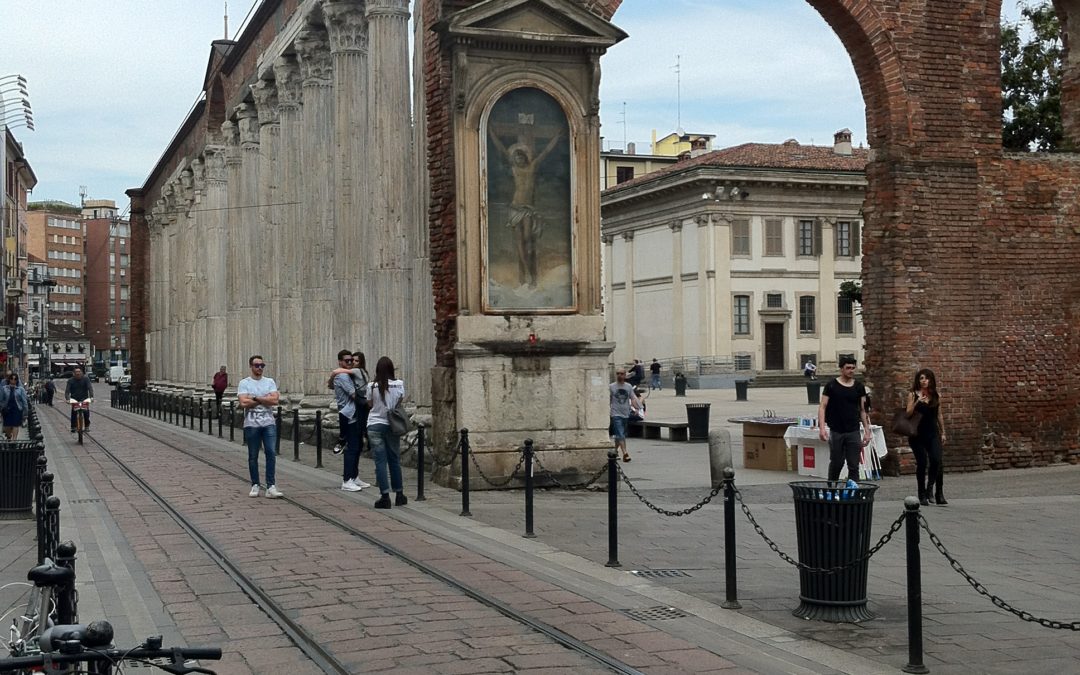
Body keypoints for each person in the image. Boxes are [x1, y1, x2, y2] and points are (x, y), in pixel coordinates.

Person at [488, 127, 563, 287]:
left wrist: (556, 137)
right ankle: (526, 275)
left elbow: (545, 152)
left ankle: (530, 272)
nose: (518, 160)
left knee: (529, 240)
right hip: (515, 208)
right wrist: (492, 132)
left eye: (520, 157)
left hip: (528, 209)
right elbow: (501, 149)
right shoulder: (514, 170)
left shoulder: (532, 167)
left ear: (524, 158)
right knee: (519, 242)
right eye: (515, 158)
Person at [817, 356, 871, 481]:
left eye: (853, 368)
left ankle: (854, 491)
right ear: (841, 369)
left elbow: (863, 410)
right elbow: (822, 407)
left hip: (853, 429)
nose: (851, 371)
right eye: (848, 368)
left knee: (854, 464)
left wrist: (867, 430)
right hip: (836, 429)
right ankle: (832, 487)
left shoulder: (858, 387)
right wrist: (822, 428)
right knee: (837, 462)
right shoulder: (831, 386)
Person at [237, 355, 282, 498]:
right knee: (253, 455)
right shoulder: (244, 383)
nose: (260, 368)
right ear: (251, 366)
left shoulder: (269, 381)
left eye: (262, 365)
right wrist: (264, 399)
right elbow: (243, 403)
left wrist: (254, 398)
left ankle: (271, 486)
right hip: (251, 423)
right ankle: (255, 484)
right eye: (257, 365)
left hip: (268, 422)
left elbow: (274, 400)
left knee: (270, 452)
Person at [365, 356, 407, 509]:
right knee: (394, 459)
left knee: (380, 462)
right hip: (392, 425)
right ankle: (400, 493)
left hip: (375, 424)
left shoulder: (371, 386)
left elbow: (369, 404)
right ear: (391, 369)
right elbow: (399, 402)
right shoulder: (399, 384)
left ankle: (385, 496)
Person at [330, 349, 370, 492]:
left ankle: (354, 476)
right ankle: (347, 480)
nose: (350, 363)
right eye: (347, 361)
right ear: (340, 362)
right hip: (349, 415)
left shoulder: (348, 375)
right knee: (352, 447)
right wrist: (368, 403)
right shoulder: (342, 377)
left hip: (354, 414)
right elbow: (354, 395)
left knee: (358, 445)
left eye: (351, 361)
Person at [907, 368, 948, 506]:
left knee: (936, 460)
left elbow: (939, 415)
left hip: (932, 432)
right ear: (918, 381)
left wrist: (943, 432)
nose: (924, 381)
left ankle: (933, 489)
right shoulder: (913, 394)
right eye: (921, 378)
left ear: (931, 380)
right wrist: (918, 401)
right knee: (922, 462)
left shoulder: (936, 395)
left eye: (927, 378)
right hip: (917, 434)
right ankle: (922, 493)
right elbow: (908, 413)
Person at [609, 367, 642, 463]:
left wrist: (636, 408)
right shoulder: (611, 386)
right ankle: (625, 453)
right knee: (620, 433)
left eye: (621, 374)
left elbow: (633, 398)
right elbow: (608, 399)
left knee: (620, 434)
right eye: (618, 373)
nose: (619, 375)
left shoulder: (628, 386)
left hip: (626, 413)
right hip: (615, 413)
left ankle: (615, 451)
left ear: (625, 375)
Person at [64, 367, 94, 433]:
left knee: (86, 412)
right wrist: (67, 399)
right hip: (74, 399)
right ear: (74, 373)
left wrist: (91, 397)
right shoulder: (70, 380)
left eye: (79, 372)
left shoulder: (86, 379)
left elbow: (90, 388)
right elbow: (67, 391)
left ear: (81, 373)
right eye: (76, 372)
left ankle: (87, 426)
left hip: (84, 398)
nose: (78, 373)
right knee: (74, 412)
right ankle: (73, 427)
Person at [0, 373, 28, 439]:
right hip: (7, 409)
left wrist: (25, 413)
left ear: (17, 380)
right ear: (9, 379)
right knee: (7, 426)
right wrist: (1, 409)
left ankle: (14, 440)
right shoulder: (4, 388)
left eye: (15, 379)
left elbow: (24, 401)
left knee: (15, 425)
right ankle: (9, 436)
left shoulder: (21, 389)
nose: (13, 380)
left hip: (17, 409)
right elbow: (1, 400)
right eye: (12, 378)